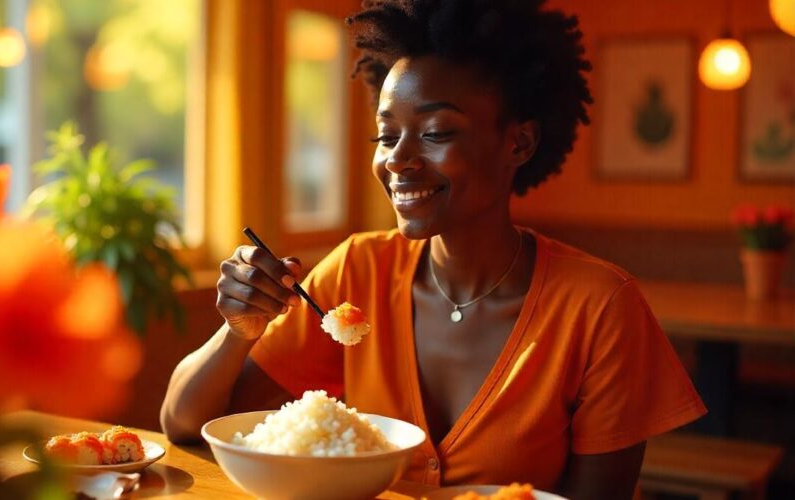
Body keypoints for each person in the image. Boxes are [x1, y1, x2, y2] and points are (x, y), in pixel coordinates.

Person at [161, 1, 706, 498]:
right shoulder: (359, 269)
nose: (397, 159)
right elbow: (186, 424)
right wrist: (238, 332)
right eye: (386, 134)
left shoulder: (600, 306)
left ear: (519, 142)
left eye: (436, 133)